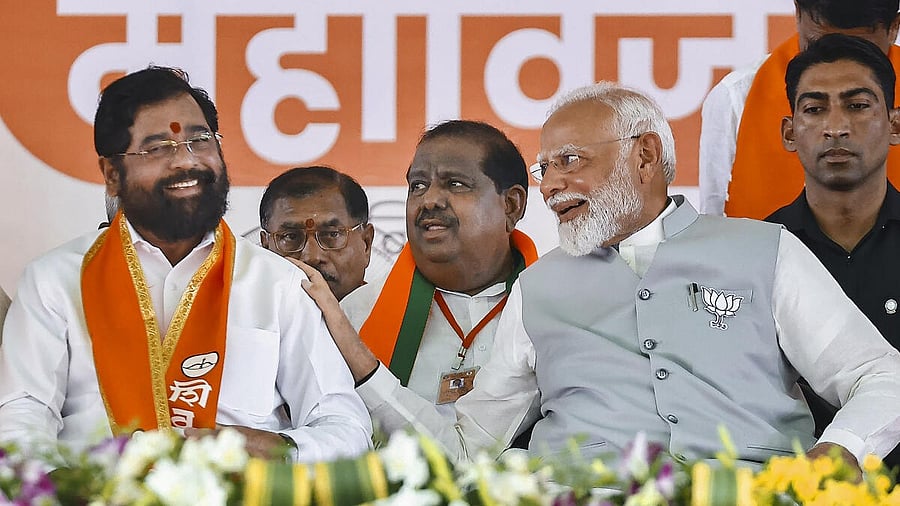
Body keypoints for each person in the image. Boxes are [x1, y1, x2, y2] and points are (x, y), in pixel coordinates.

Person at [311, 82, 900, 471]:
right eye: (544, 168)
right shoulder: (537, 289)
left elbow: (880, 375)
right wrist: (359, 361)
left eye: (570, 161)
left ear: (644, 156)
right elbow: (468, 448)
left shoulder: (765, 250)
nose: (551, 185)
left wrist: (840, 451)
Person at [0, 67, 372, 462]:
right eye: (158, 148)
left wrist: (276, 447)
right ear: (112, 175)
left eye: (199, 140)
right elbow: (18, 421)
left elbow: (346, 428)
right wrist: (63, 487)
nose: (185, 160)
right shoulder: (55, 282)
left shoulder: (278, 284)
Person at [298, 120, 538, 426]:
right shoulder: (355, 317)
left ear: (512, 205)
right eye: (418, 185)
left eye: (455, 184)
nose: (429, 200)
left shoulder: (553, 312)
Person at [766, 34, 900, 463]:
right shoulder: (755, 252)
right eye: (814, 109)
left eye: (857, 105)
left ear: (895, 125)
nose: (836, 127)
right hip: (791, 481)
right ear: (789, 132)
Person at [699, 0, 900, 218]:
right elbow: (713, 224)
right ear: (797, 14)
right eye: (818, 45)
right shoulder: (736, 95)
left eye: (861, 52)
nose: (839, 69)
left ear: (894, 28)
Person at [259, 166, 374, 301]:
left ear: (366, 244)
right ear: (265, 248)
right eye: (291, 236)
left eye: (332, 234)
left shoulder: (392, 314)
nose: (312, 257)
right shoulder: (242, 313)